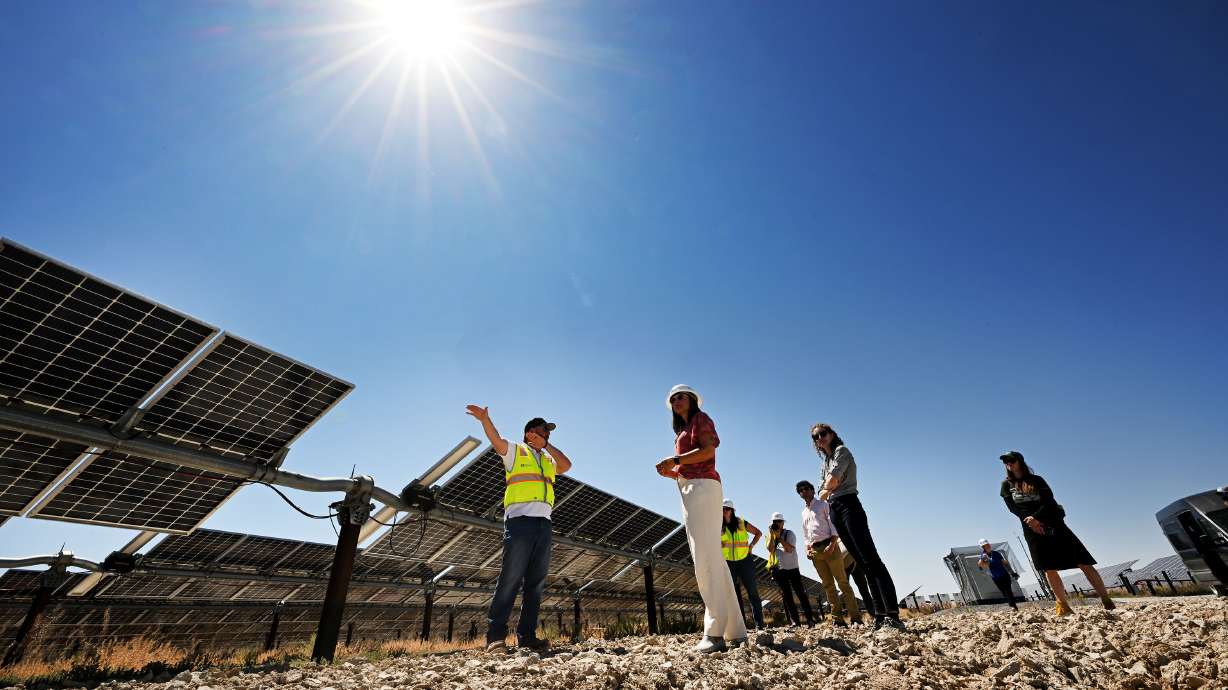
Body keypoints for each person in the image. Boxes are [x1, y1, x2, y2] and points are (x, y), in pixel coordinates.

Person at [466, 405, 573, 652]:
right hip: (520, 522)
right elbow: (497, 441)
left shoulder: (548, 458)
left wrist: (545, 446)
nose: (547, 434)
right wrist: (485, 420)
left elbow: (566, 465)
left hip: (543, 525)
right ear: (529, 433)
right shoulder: (516, 451)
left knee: (535, 584)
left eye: (548, 432)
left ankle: (527, 637)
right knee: (510, 579)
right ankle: (495, 637)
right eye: (542, 430)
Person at [655, 384, 747, 653]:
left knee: (705, 558)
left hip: (703, 489)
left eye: (680, 396)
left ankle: (714, 632)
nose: (675, 400)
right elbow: (689, 466)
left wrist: (675, 460)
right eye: (672, 399)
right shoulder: (681, 431)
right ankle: (735, 631)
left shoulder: (700, 419)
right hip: (692, 488)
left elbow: (708, 452)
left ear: (693, 400)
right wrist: (673, 472)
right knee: (714, 559)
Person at [812, 423, 905, 631]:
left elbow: (832, 482)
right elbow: (822, 489)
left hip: (849, 505)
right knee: (863, 564)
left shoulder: (841, 452)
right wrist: (828, 485)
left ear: (832, 434)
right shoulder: (826, 462)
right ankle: (880, 616)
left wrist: (829, 485)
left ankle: (892, 614)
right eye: (815, 437)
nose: (820, 438)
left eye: (823, 434)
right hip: (834, 509)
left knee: (872, 559)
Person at [999, 450, 1114, 616]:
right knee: (1049, 567)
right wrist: (1030, 520)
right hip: (1031, 529)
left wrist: (1036, 517)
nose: (1008, 463)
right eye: (1005, 461)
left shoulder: (1036, 480)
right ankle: (1063, 605)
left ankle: (1106, 599)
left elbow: (1049, 500)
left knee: (1083, 561)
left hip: (1054, 523)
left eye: (1011, 459)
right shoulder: (1006, 485)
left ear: (1020, 461)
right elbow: (1012, 508)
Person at [796, 479, 861, 627]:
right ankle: (837, 619)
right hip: (816, 552)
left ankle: (855, 617)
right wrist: (807, 549)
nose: (804, 492)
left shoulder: (823, 505)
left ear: (813, 490)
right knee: (828, 585)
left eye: (806, 488)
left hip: (829, 546)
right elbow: (806, 534)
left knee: (843, 583)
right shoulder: (804, 513)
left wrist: (832, 544)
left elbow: (833, 525)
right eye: (800, 490)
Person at [765, 512, 819, 626]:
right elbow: (770, 549)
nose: (777, 524)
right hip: (779, 569)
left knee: (801, 594)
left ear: (783, 523)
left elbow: (789, 549)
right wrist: (772, 535)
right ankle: (795, 621)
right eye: (775, 522)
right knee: (787, 596)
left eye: (779, 521)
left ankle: (810, 619)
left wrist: (779, 538)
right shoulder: (771, 536)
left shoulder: (790, 534)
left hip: (792, 568)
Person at [721, 500, 765, 629]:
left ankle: (760, 625)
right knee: (732, 595)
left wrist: (751, 546)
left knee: (752, 592)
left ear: (733, 510)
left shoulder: (742, 523)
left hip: (745, 561)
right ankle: (739, 627)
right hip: (728, 563)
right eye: (722, 508)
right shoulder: (717, 524)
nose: (725, 511)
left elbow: (758, 533)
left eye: (727, 509)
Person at [976, 539, 1020, 610]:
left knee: (1008, 590)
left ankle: (1013, 606)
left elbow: (1005, 563)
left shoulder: (996, 553)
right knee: (1004, 592)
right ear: (982, 547)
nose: (988, 546)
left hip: (1004, 575)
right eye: (985, 546)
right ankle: (1012, 603)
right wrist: (981, 562)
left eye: (988, 545)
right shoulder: (983, 556)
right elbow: (982, 565)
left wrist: (1012, 572)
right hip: (996, 578)